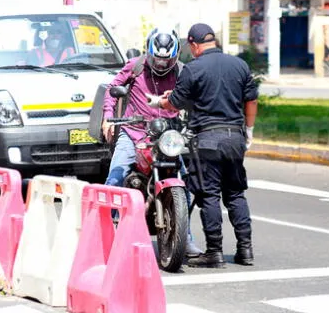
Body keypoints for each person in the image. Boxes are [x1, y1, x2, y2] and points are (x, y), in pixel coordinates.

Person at [154, 23, 258, 268]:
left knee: (209, 194)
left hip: (207, 139)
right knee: (235, 193)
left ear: (194, 44)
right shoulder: (240, 65)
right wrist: (249, 131)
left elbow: (175, 104)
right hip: (235, 137)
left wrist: (159, 102)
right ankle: (245, 250)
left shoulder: (193, 68)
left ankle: (214, 252)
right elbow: (251, 100)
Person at [102, 27, 202, 257]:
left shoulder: (181, 71)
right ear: (149, 54)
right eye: (156, 59)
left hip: (167, 134)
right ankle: (107, 231)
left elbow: (193, 98)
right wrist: (108, 117)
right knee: (114, 177)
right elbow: (111, 89)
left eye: (165, 60)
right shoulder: (135, 66)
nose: (160, 65)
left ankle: (185, 238)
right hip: (133, 131)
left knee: (182, 179)